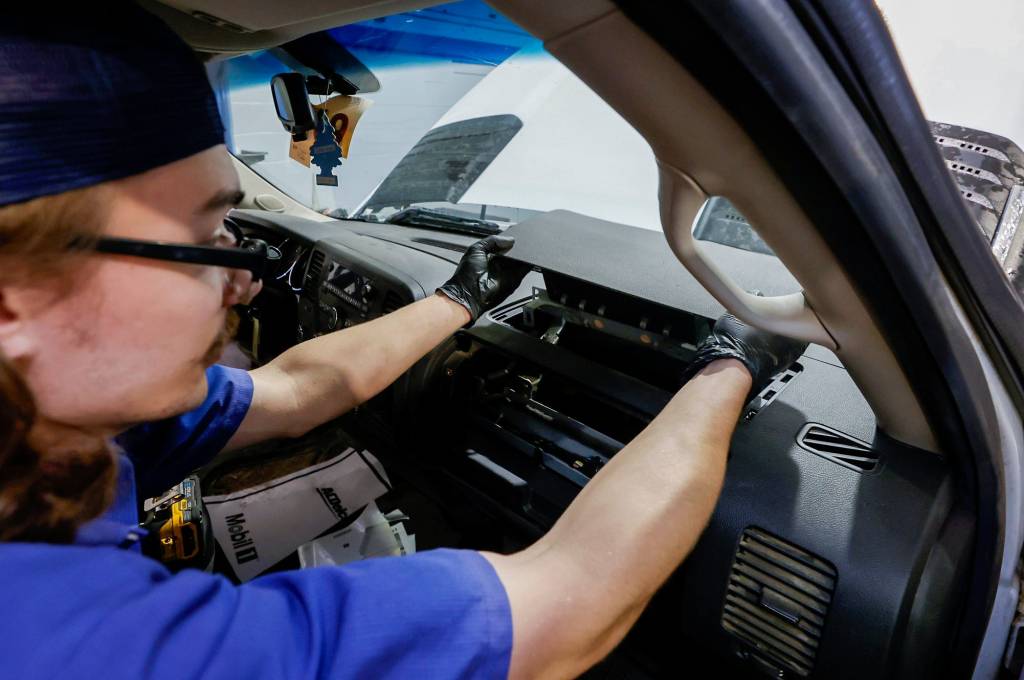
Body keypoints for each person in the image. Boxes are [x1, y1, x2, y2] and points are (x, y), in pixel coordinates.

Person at [0, 6, 806, 679]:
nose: (242, 281)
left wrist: (459, 301)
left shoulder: (60, 419)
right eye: (209, 237)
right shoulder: (77, 644)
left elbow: (293, 394)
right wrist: (731, 366)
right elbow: (570, 605)